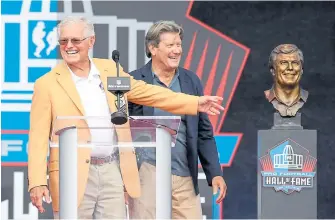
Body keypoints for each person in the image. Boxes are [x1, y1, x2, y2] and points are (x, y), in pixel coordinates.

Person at [27, 16, 224, 219]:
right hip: (72, 173)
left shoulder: (109, 71)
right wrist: (37, 181)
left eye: (76, 40)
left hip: (111, 170)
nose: (69, 46)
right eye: (63, 41)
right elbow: (38, 139)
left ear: (91, 41)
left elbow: (148, 92)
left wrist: (194, 103)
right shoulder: (47, 84)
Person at [127, 20, 227, 219]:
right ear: (152, 48)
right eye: (170, 45)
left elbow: (203, 133)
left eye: (179, 44)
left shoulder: (191, 80)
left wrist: (214, 172)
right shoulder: (135, 81)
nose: (177, 50)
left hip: (184, 175)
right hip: (147, 173)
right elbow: (123, 132)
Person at [265, 44, 308, 117]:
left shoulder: (313, 100)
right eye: (284, 63)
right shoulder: (264, 98)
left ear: (301, 70)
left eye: (295, 63)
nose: (290, 68)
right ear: (273, 70)